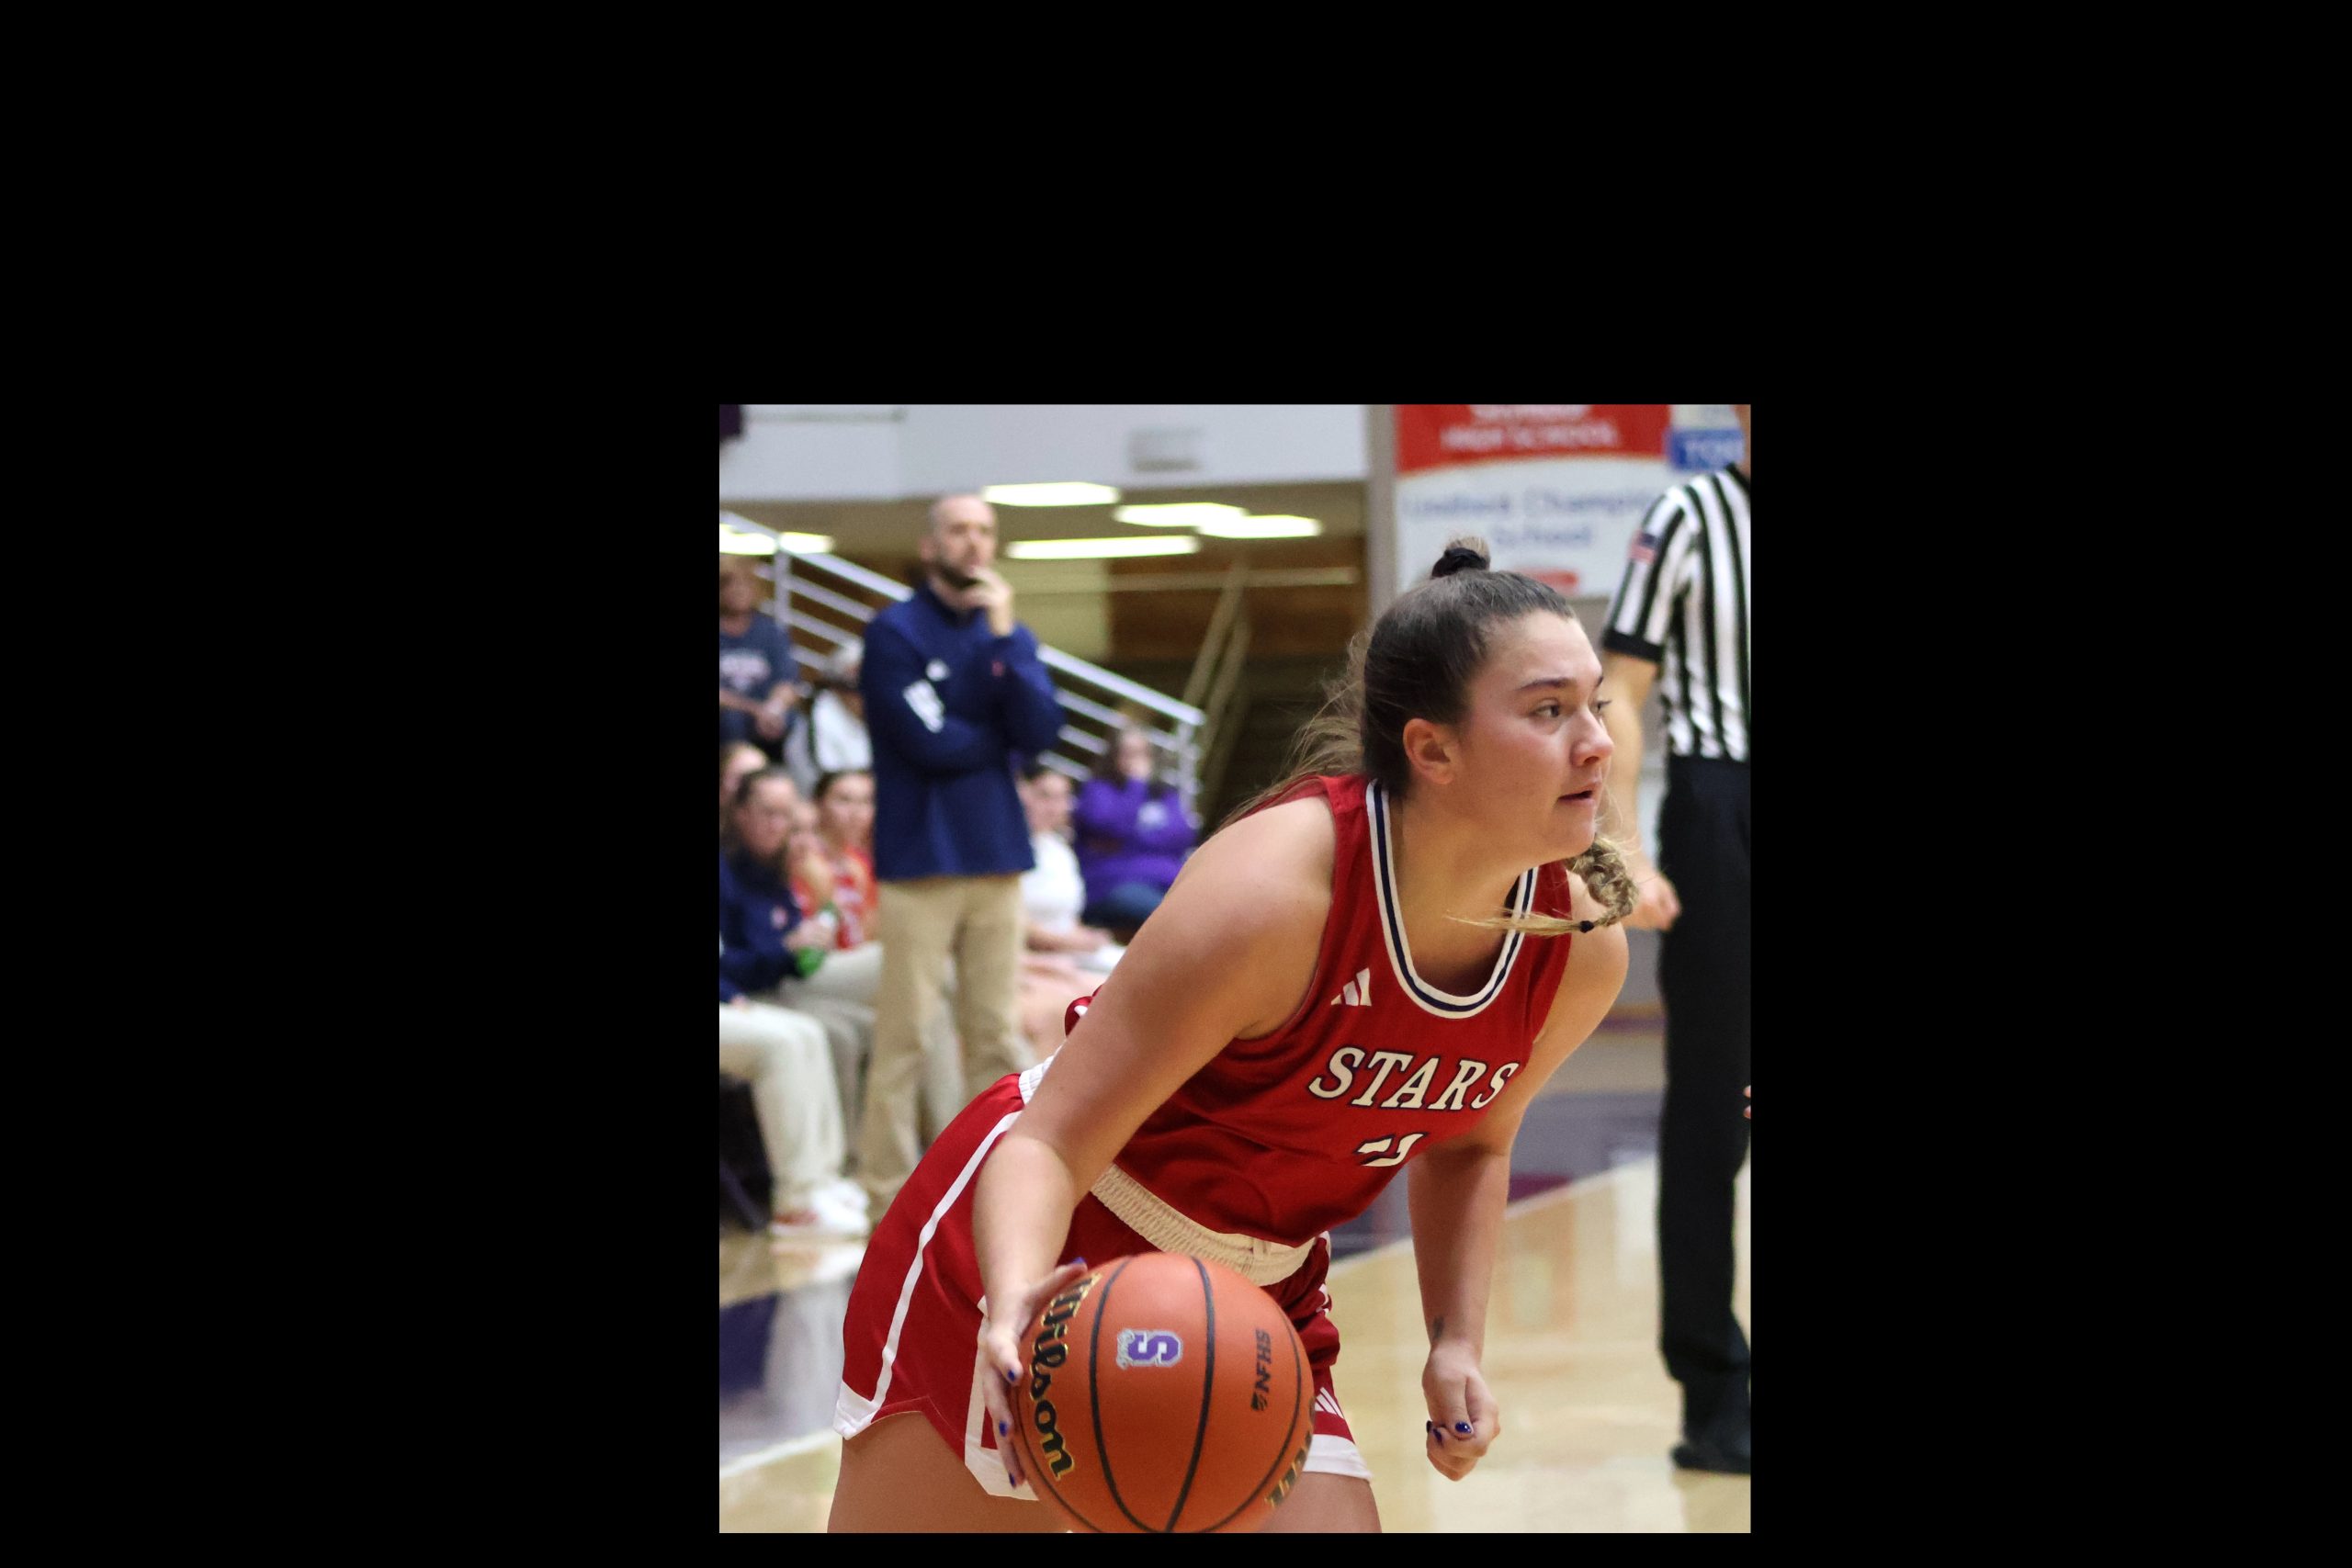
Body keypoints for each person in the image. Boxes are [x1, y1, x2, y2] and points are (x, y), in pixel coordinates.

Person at [827, 537, 1635, 1533]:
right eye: (1549, 711)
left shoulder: (1577, 947)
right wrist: (1012, 1302)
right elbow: (1049, 1141)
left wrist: (1454, 1341)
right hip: (1048, 1245)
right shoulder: (1274, 895)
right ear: (1432, 750)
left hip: (1254, 1298)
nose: (1596, 742)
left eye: (1595, 704)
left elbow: (1470, 1144)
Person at [1595, 402, 1752, 1476]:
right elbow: (1622, 686)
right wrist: (1629, 849)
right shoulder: (1689, 514)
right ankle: (1713, 1392)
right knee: (1711, 1099)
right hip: (1718, 801)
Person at [854, 493, 1067, 1214]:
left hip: (995, 854)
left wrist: (1004, 642)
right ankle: (884, 1191)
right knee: (906, 1035)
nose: (973, 542)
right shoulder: (894, 632)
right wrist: (996, 728)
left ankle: (994, 1184)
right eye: (959, 530)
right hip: (921, 859)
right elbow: (930, 743)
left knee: (995, 1034)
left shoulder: (1006, 632)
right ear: (930, 545)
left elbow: (1040, 731)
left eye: (984, 530)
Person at [718, 769, 868, 1241]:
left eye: (785, 815)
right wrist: (734, 989)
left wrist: (799, 945)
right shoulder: (727, 869)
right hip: (735, 993)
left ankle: (822, 1179)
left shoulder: (772, 868)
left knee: (808, 1033)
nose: (777, 825)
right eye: (767, 812)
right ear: (740, 813)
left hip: (743, 990)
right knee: (782, 1043)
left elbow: (780, 958)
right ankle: (796, 1203)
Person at [1012, 765, 1115, 1061]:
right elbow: (1019, 925)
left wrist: (1087, 938)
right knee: (1087, 999)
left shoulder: (1060, 851)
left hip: (1069, 949)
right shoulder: (1008, 849)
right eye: (1045, 796)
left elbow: (1071, 917)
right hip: (1031, 951)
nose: (1054, 807)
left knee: (1125, 982)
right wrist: (1070, 944)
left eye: (1061, 798)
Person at [1070, 724, 1195, 935]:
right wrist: (1136, 785)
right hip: (1112, 885)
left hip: (1166, 881)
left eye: (1141, 753)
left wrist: (1133, 839)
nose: (1135, 760)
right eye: (1127, 753)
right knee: (1176, 920)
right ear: (1113, 756)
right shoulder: (1097, 790)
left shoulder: (1164, 794)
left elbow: (1182, 837)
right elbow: (1112, 828)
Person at [719, 558, 805, 764]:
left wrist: (773, 709)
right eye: (729, 584)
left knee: (790, 720)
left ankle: (780, 777)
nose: (738, 591)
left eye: (746, 584)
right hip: (732, 716)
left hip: (764, 713)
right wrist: (755, 709)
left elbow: (787, 683)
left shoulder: (771, 632)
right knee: (731, 720)